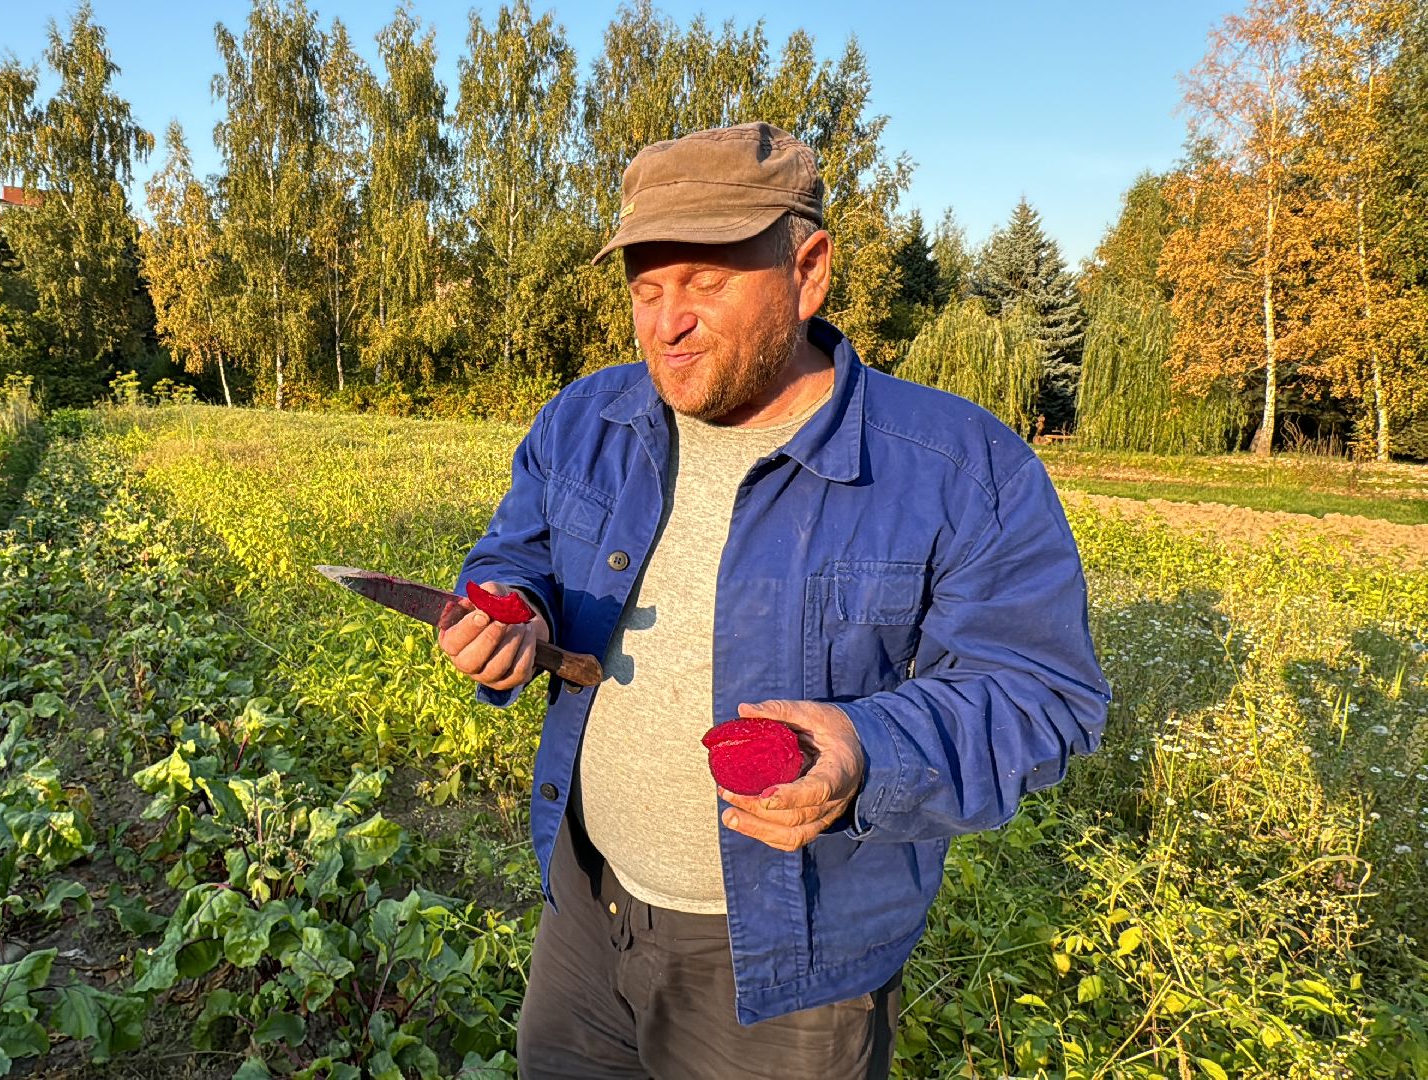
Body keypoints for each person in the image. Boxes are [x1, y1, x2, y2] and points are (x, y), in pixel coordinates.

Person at [438, 122, 1111, 1079]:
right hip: (589, 909)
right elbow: (520, 550)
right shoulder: (585, 421)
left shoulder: (960, 467)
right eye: (646, 287)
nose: (667, 322)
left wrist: (866, 750)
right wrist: (514, 605)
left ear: (808, 272)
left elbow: (1042, 692)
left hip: (788, 972)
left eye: (706, 282)